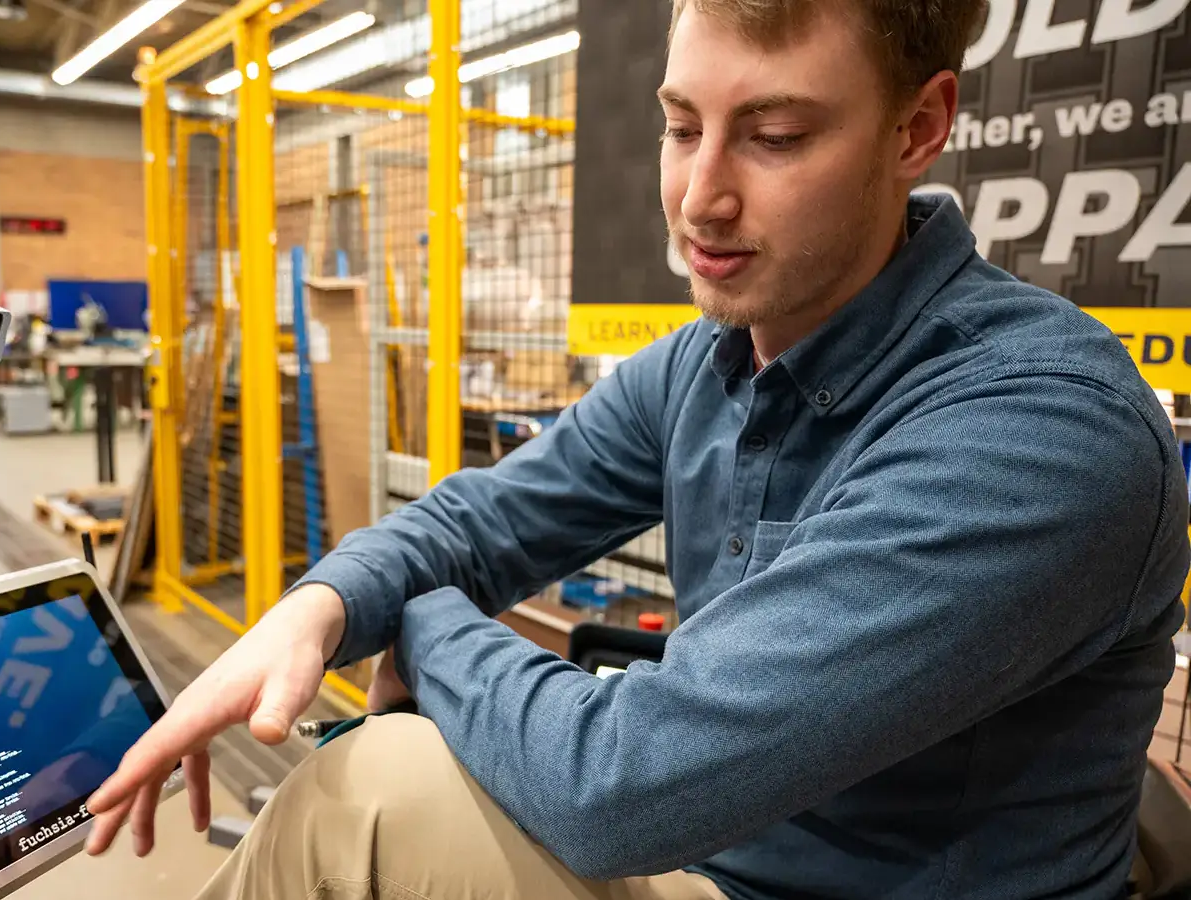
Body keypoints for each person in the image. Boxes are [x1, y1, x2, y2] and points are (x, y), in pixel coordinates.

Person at [84, 0, 1191, 896]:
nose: (699, 198)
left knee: (364, 799)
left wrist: (423, 624)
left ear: (917, 128)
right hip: (710, 858)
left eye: (774, 136)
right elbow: (483, 518)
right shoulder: (711, 360)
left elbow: (620, 786)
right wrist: (322, 605)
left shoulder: (1040, 431)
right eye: (680, 126)